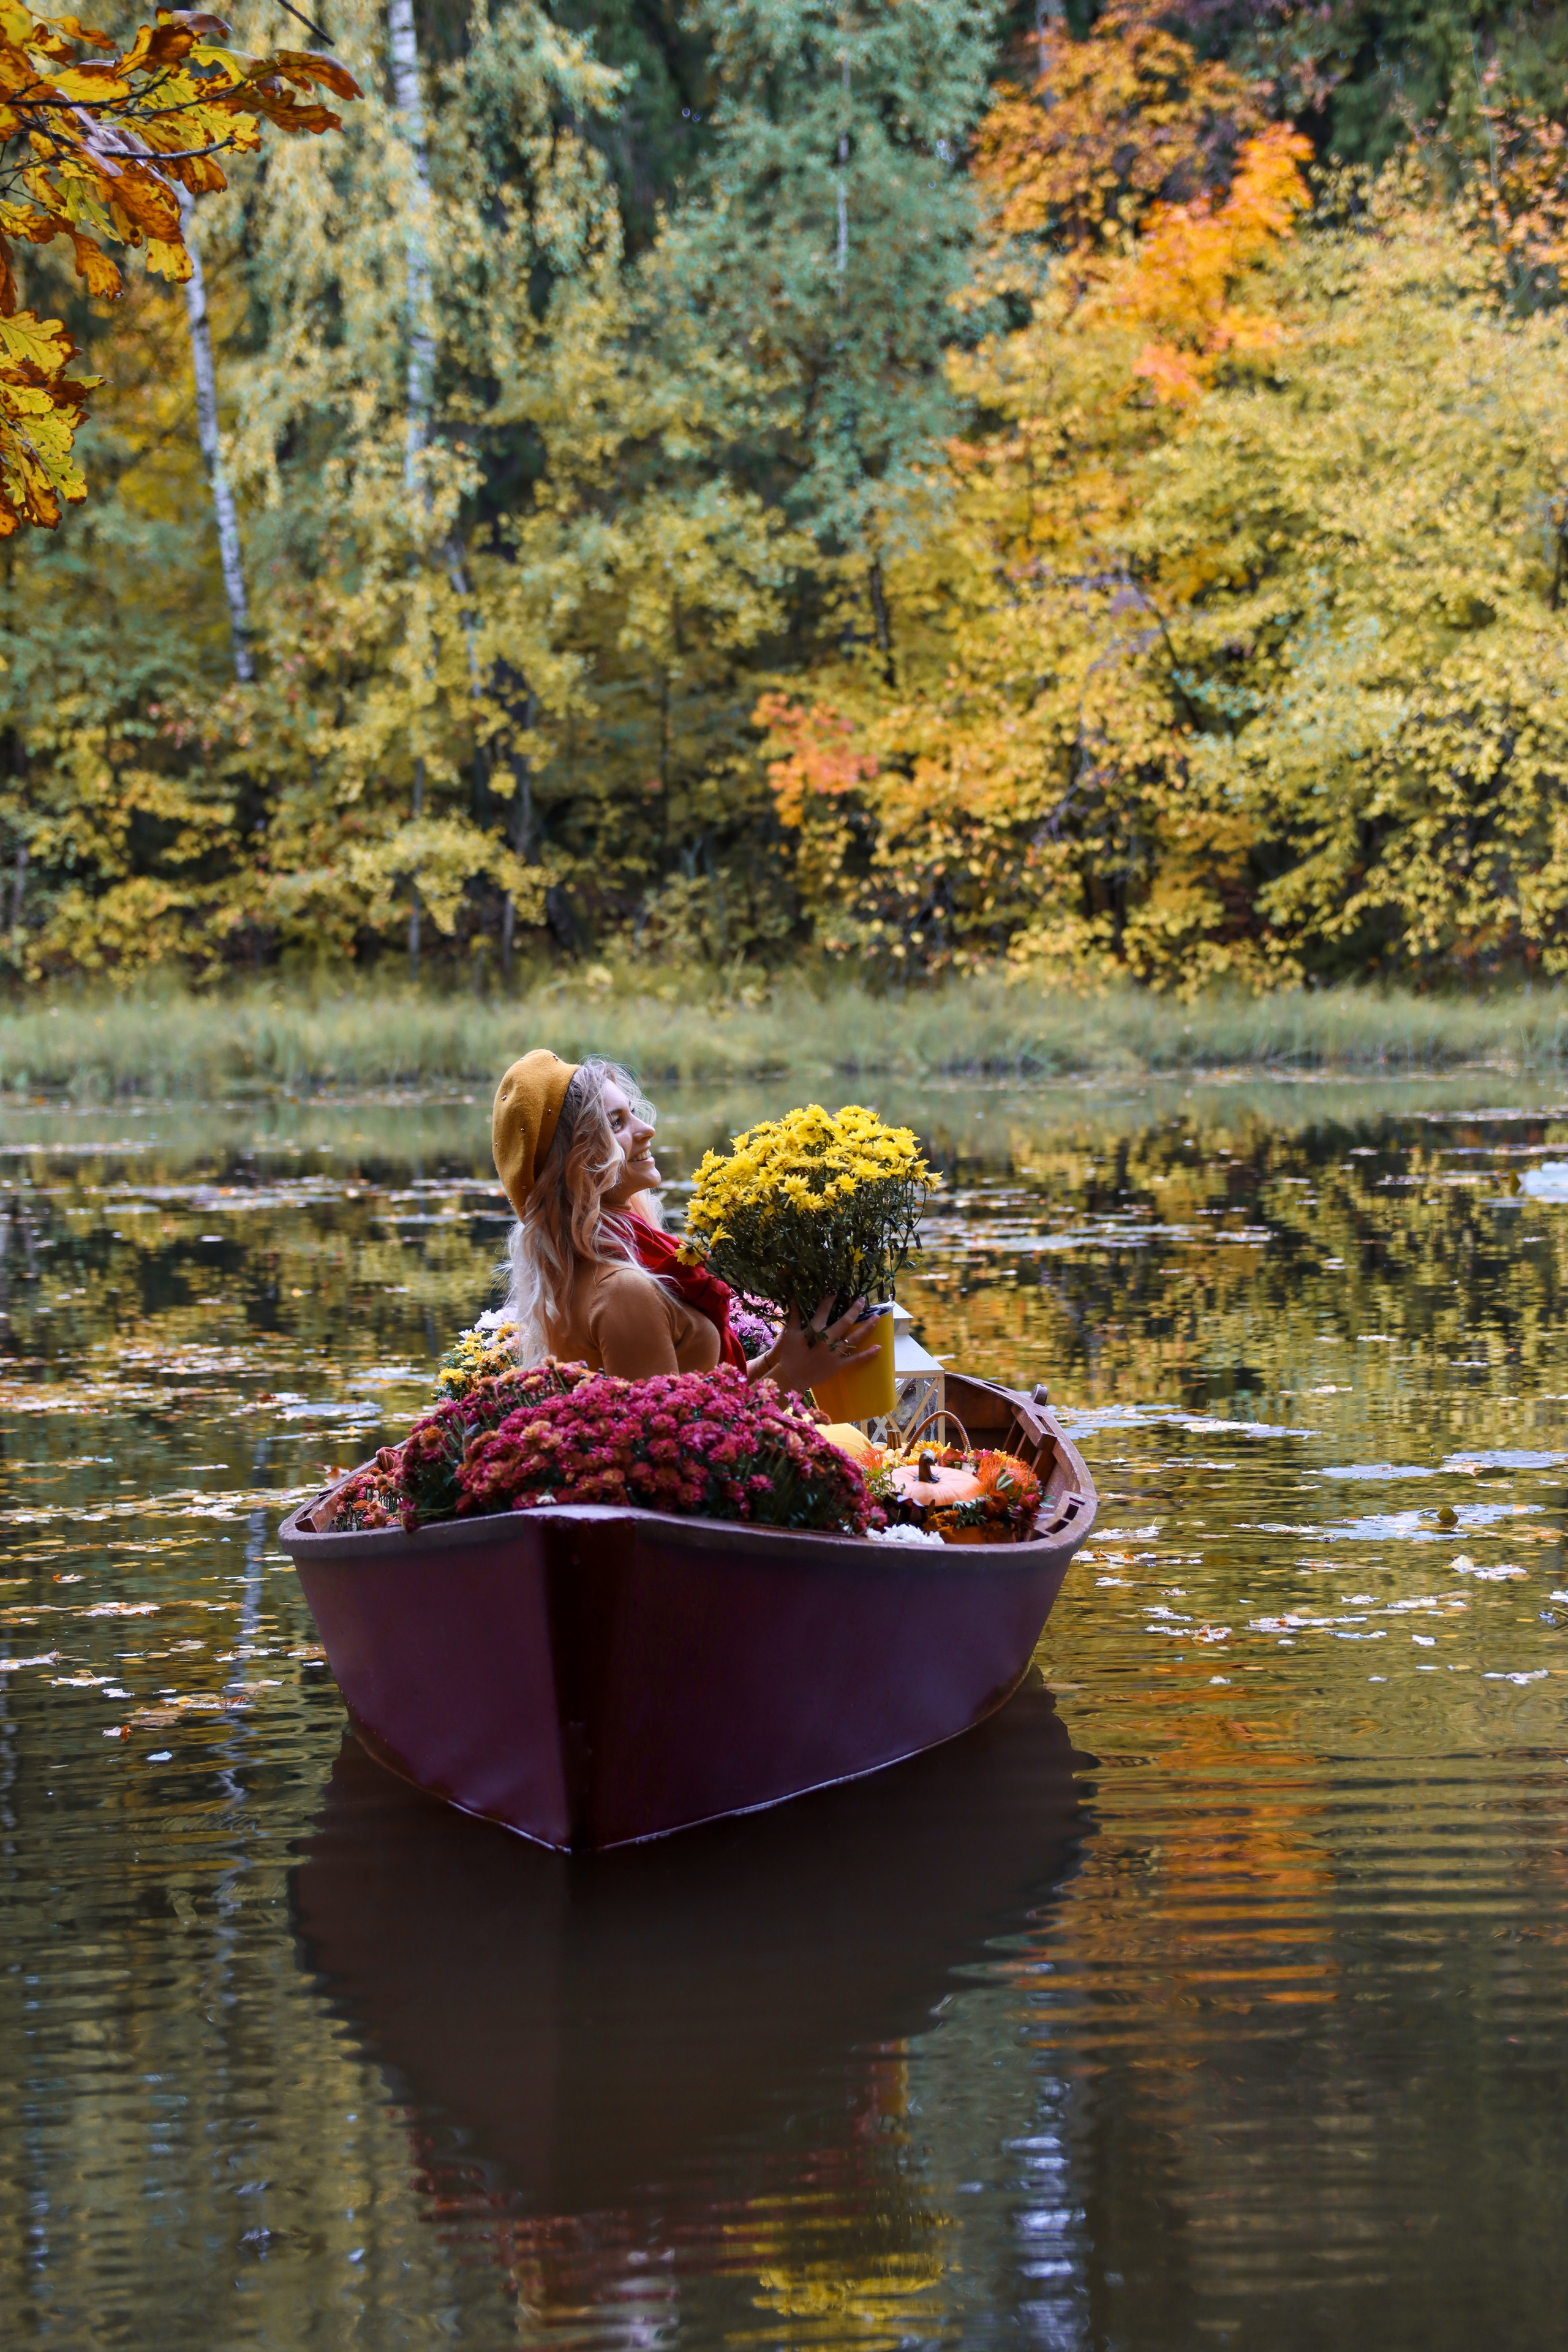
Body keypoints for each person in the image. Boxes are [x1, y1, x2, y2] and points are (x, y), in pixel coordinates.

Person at [492, 1048, 881, 1390]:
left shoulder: (619, 1258)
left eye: (633, 1114)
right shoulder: (621, 1291)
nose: (647, 1130)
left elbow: (705, 1396)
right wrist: (794, 1378)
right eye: (616, 1124)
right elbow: (677, 1451)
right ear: (576, 1162)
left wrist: (782, 1356)